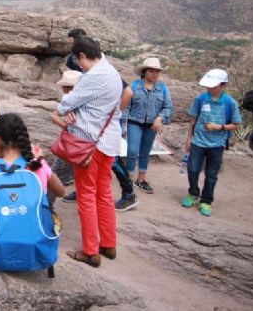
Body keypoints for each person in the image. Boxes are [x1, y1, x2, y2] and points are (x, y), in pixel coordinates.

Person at [52, 36, 122, 267]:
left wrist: (72, 106)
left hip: (89, 145)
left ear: (82, 56)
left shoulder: (92, 77)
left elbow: (64, 105)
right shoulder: (112, 72)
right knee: (104, 193)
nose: (78, 66)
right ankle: (109, 244)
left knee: (86, 195)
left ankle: (91, 251)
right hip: (109, 142)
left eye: (78, 61)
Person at [0, 113, 65, 245]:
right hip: (37, 243)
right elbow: (60, 191)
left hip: (2, 245)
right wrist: (41, 160)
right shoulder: (37, 165)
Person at [56, 70, 138, 213]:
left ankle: (129, 192)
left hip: (104, 126)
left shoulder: (103, 73)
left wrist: (116, 114)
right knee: (84, 159)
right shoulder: (89, 74)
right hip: (94, 127)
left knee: (113, 161)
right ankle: (83, 190)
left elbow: (129, 92)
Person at [182, 69, 242, 217]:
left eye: (214, 86)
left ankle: (206, 200)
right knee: (193, 169)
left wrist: (219, 127)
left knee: (211, 174)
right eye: (209, 86)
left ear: (223, 85)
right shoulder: (201, 99)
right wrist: (189, 138)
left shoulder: (230, 103)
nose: (210, 89)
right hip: (198, 141)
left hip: (217, 144)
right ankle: (193, 193)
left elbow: (236, 124)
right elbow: (193, 119)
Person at [123, 57, 173, 194]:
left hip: (151, 126)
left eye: (157, 71)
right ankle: (129, 179)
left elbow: (167, 107)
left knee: (145, 152)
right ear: (144, 72)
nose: (154, 74)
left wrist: (160, 117)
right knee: (133, 151)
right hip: (134, 122)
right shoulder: (134, 86)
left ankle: (141, 180)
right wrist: (122, 124)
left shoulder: (162, 88)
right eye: (151, 71)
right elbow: (126, 106)